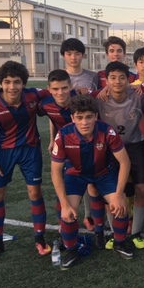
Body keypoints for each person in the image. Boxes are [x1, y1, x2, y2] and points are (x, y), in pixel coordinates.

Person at [0, 61, 51, 262]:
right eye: (7, 82)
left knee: (35, 192)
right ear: (0, 83)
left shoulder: (33, 95)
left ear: (23, 83)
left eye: (16, 82)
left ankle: (40, 239)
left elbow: (56, 91)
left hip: (30, 150)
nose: (12, 87)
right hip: (3, 153)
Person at [51, 95, 133, 269]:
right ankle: (72, 250)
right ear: (72, 118)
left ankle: (119, 242)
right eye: (79, 118)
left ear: (96, 116)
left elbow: (125, 162)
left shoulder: (107, 131)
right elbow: (56, 171)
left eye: (89, 117)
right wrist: (64, 205)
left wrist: (119, 195)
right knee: (68, 211)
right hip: (75, 175)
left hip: (103, 173)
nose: (84, 122)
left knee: (121, 206)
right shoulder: (63, 135)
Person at [96, 62, 144, 250]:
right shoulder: (99, 99)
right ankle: (114, 233)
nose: (117, 81)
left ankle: (136, 232)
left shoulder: (139, 97)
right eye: (113, 78)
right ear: (106, 80)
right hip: (110, 151)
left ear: (128, 80)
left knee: (141, 189)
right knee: (111, 192)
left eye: (122, 78)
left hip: (135, 148)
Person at [60, 38, 100, 230]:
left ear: (83, 56)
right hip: (67, 136)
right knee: (71, 177)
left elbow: (98, 101)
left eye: (77, 53)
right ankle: (72, 215)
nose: (73, 57)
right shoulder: (60, 77)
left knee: (91, 176)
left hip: (89, 133)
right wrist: (53, 138)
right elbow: (55, 113)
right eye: (69, 54)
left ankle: (90, 215)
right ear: (63, 56)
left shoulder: (93, 76)